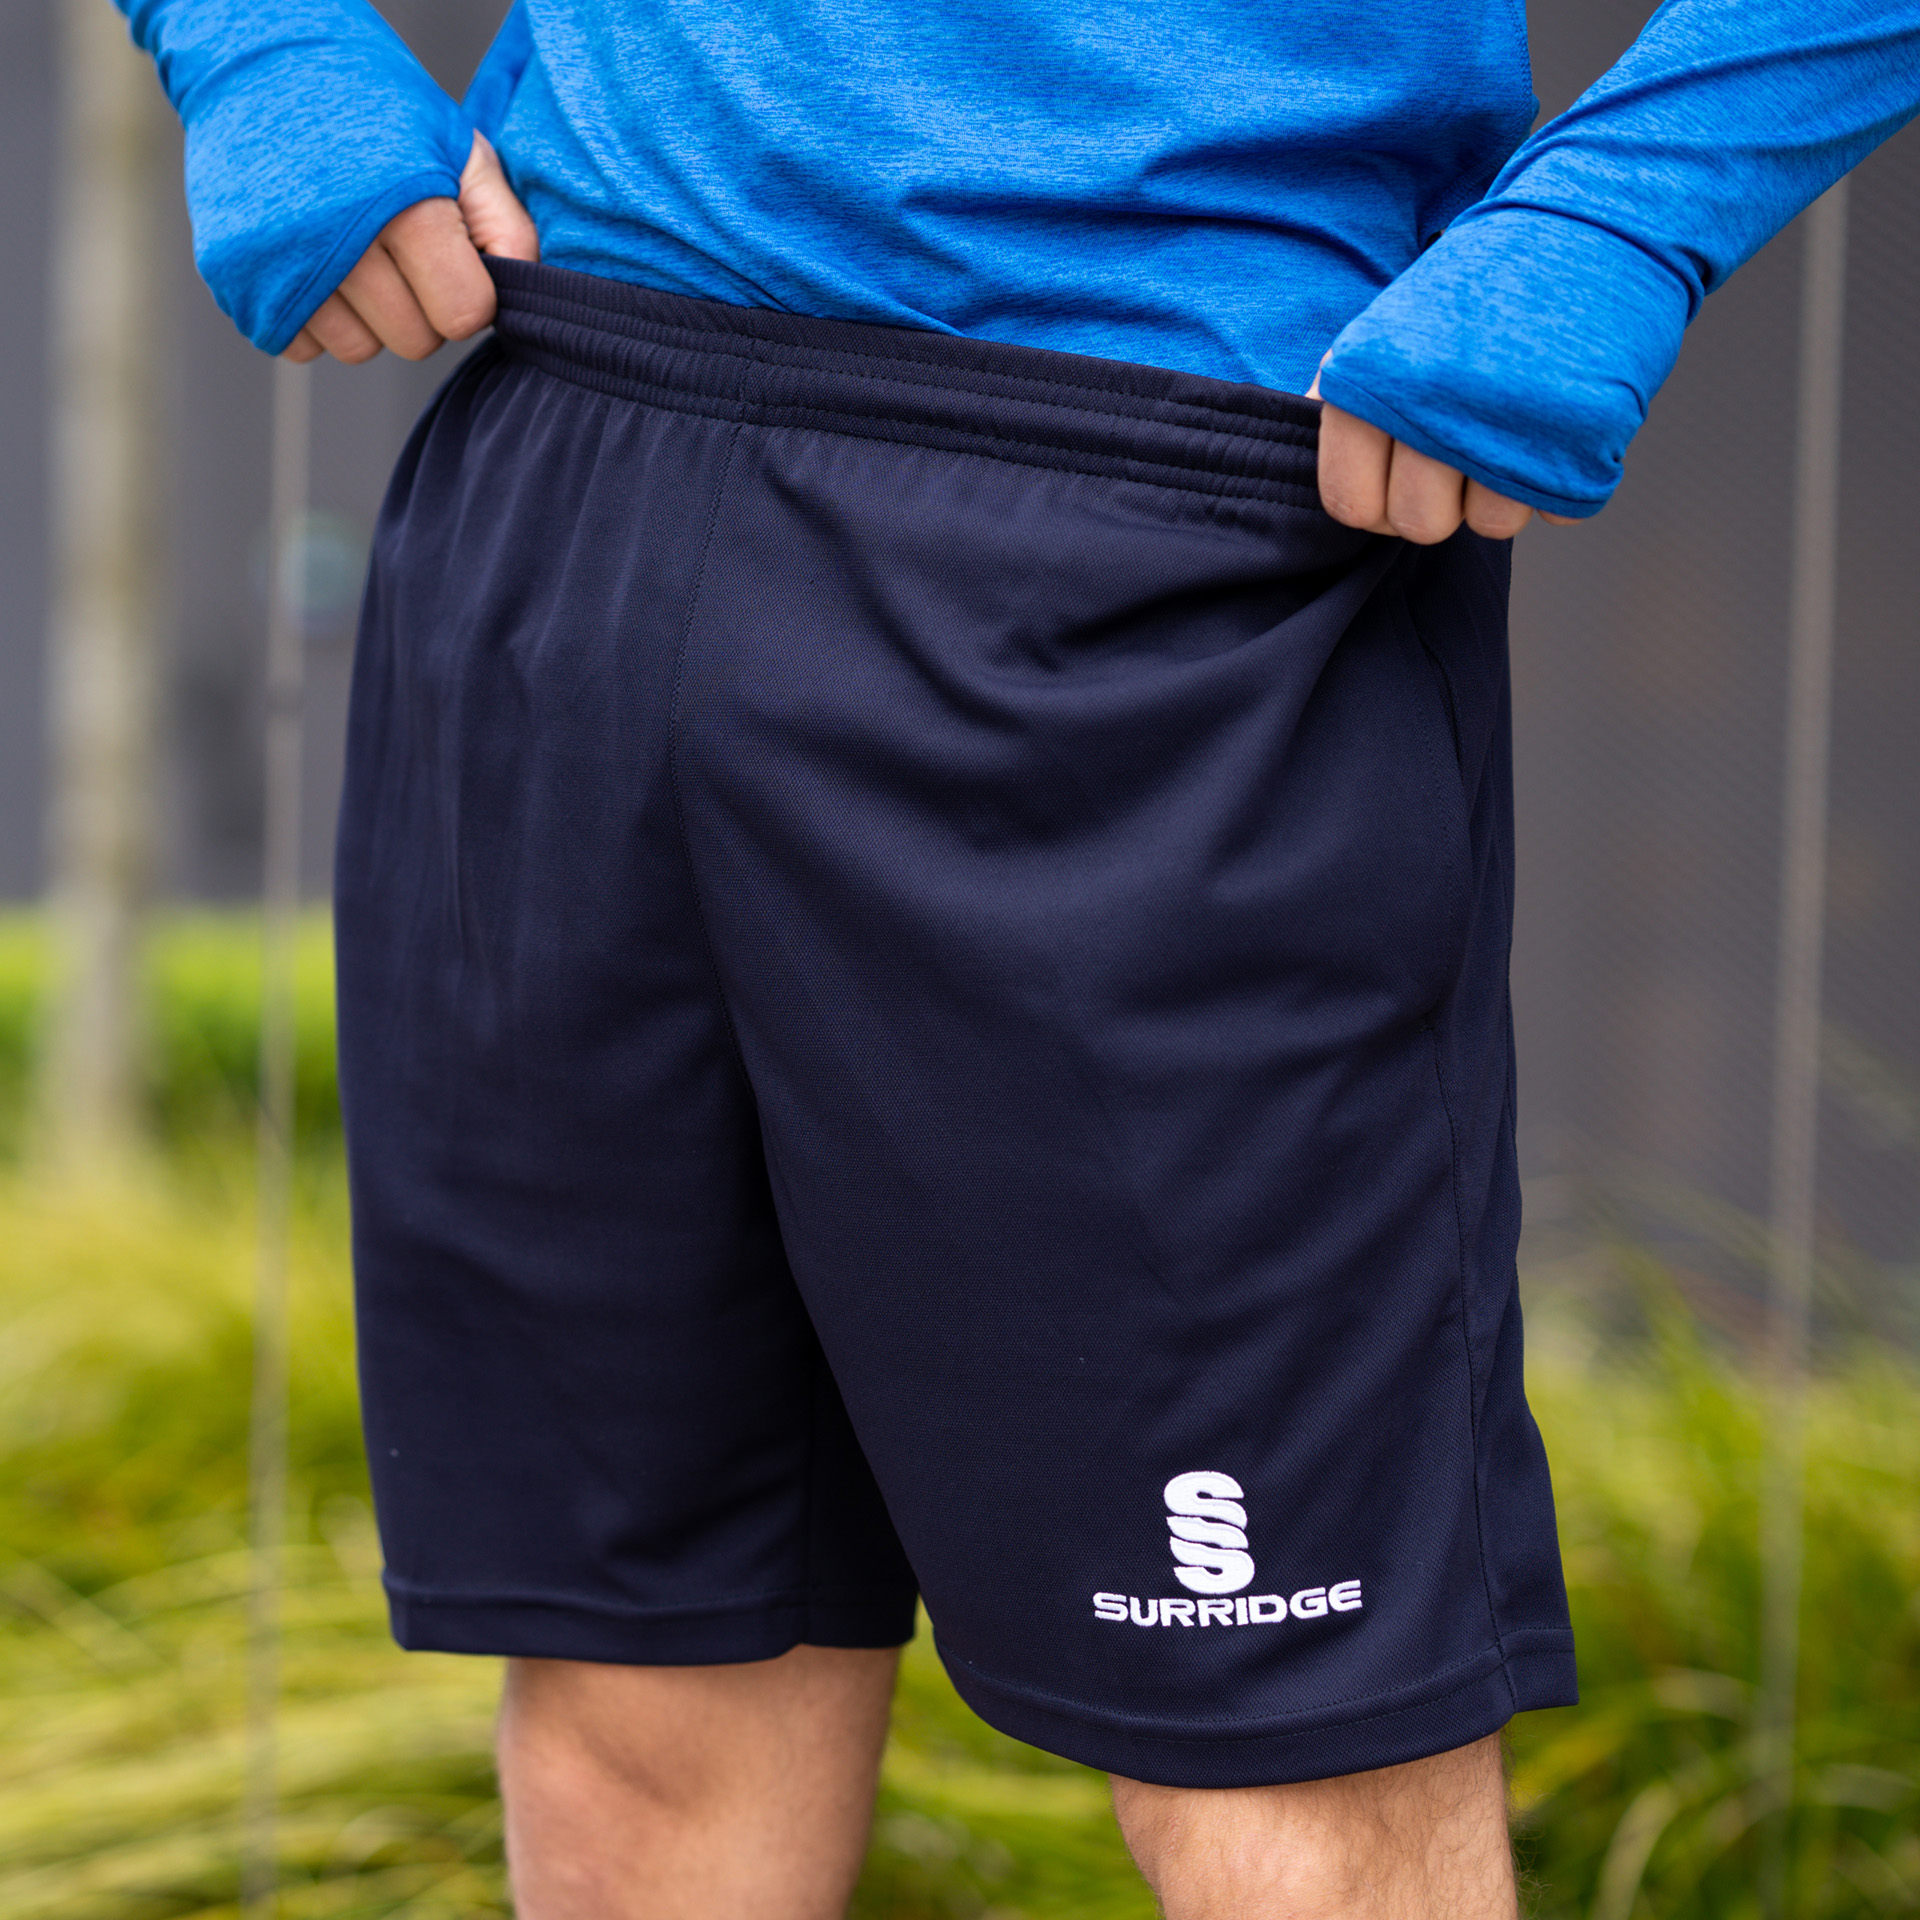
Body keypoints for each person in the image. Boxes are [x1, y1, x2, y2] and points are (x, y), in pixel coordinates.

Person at [120, 0, 1920, 1913]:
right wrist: (262, 41)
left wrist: (1625, 212)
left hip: (1153, 509)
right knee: (637, 1709)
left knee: (1290, 1780)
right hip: (572, 447)